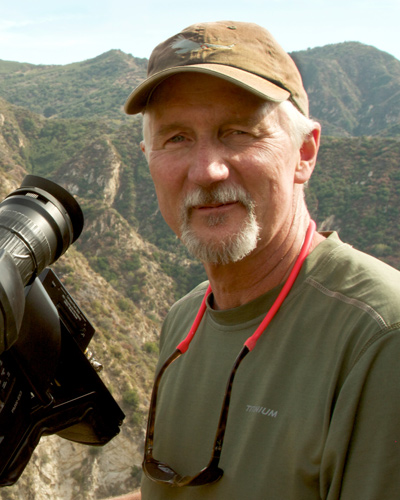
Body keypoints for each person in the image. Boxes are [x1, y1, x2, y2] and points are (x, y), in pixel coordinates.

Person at [122, 21, 400, 499]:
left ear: (305, 152)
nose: (207, 170)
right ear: (148, 157)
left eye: (238, 132)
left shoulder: (377, 339)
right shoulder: (185, 319)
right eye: (176, 138)